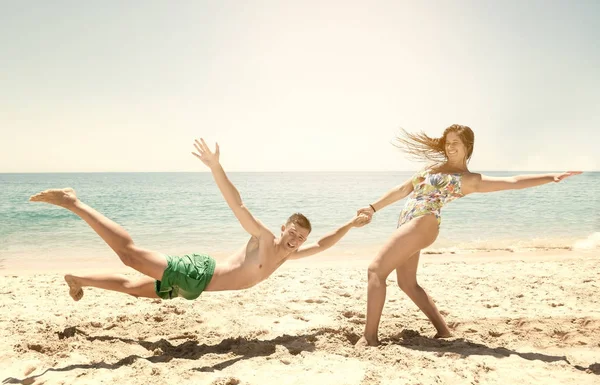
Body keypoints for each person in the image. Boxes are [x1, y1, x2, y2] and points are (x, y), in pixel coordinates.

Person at [29, 139, 368, 302]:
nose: (295, 240)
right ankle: (73, 202)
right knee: (129, 255)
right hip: (197, 274)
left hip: (195, 288)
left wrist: (351, 225)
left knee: (133, 288)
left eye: (300, 237)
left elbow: (324, 244)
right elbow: (239, 206)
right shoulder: (265, 238)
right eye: (293, 232)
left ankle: (78, 280)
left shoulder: (291, 253)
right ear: (283, 228)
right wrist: (216, 168)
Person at [354, 124, 581, 346]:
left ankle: (370, 337)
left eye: (456, 143)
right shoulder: (432, 167)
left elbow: (512, 182)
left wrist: (551, 176)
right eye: (447, 143)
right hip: (407, 223)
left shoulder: (468, 179)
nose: (450, 147)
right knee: (407, 283)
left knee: (376, 270)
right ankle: (444, 331)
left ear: (467, 146)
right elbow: (404, 190)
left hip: (423, 222)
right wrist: (373, 208)